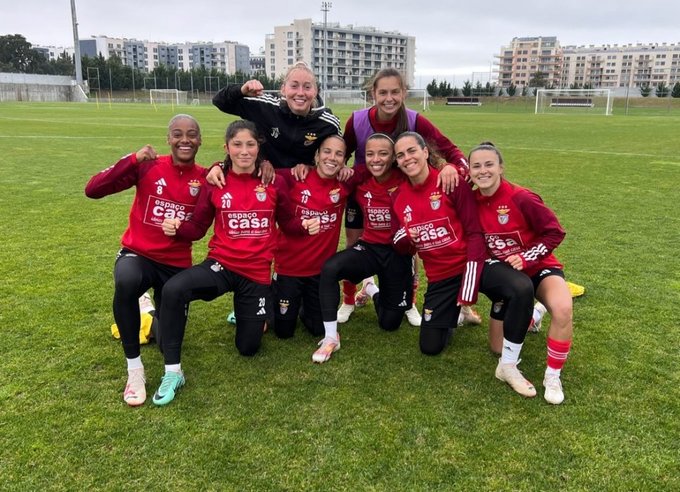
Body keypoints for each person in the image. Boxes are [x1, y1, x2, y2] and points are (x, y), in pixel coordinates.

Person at [152, 120, 291, 406]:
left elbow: (289, 223)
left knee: (248, 348)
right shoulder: (215, 180)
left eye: (250, 144)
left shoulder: (273, 181)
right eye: (237, 145)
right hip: (221, 265)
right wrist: (178, 227)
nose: (244, 151)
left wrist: (310, 225)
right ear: (226, 147)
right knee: (174, 289)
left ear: (259, 147)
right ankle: (173, 372)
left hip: (256, 275)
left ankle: (249, 313)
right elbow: (198, 228)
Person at [391, 133, 536, 398]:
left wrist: (468, 283)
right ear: (397, 162)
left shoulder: (450, 181)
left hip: (475, 264)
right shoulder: (399, 196)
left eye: (412, 151)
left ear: (425, 152)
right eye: (400, 155)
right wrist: (407, 236)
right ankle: (456, 312)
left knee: (521, 287)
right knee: (430, 347)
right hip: (440, 276)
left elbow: (475, 233)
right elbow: (400, 242)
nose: (407, 158)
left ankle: (509, 364)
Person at [337, 67, 480, 328]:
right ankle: (348, 300)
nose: (389, 98)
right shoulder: (356, 120)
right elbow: (340, 153)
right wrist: (343, 170)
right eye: (383, 92)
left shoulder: (415, 121)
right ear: (373, 93)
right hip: (364, 194)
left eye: (395, 92)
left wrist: (454, 167)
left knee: (410, 244)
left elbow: (450, 149)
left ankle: (409, 302)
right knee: (354, 243)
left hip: (401, 195)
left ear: (404, 93)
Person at [84, 114, 205, 407]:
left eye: (191, 134)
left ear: (200, 140)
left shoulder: (205, 178)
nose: (185, 140)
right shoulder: (148, 166)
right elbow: (93, 189)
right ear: (168, 138)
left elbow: (200, 228)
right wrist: (132, 160)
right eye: (178, 134)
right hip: (138, 255)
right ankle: (134, 371)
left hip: (175, 264)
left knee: (166, 344)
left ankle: (147, 313)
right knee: (127, 281)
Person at [209, 62, 344, 325]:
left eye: (307, 87)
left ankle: (296, 291)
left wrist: (310, 165)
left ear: (315, 91)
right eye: (294, 86)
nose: (300, 93)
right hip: (264, 184)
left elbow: (334, 152)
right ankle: (252, 300)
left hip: (300, 188)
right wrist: (242, 89)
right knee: (257, 240)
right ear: (283, 89)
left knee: (298, 241)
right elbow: (220, 101)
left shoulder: (327, 121)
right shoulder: (264, 105)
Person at [468, 142, 573, 404]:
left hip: (539, 267)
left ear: (501, 167)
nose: (483, 171)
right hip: (509, 277)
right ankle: (533, 315)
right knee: (496, 347)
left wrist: (527, 257)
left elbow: (555, 232)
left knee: (562, 308)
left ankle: (552, 376)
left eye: (489, 164)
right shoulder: (470, 202)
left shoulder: (522, 197)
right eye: (476, 166)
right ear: (469, 171)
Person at [312, 133, 414, 363]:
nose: (376, 159)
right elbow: (324, 177)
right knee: (331, 268)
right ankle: (331, 337)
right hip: (369, 248)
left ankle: (371, 290)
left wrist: (448, 168)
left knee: (389, 323)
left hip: (397, 253)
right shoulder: (358, 178)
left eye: (383, 154)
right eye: (370, 154)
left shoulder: (405, 177)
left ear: (394, 157)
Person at [273, 135, 365, 339]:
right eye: (327, 151)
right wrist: (220, 166)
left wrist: (350, 171)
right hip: (289, 269)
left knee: (317, 329)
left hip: (320, 273)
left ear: (344, 160)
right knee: (283, 331)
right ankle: (275, 295)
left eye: (339, 154)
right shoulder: (294, 177)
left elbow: (377, 167)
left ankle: (306, 304)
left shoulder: (345, 182)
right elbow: (261, 171)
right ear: (316, 155)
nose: (332, 158)